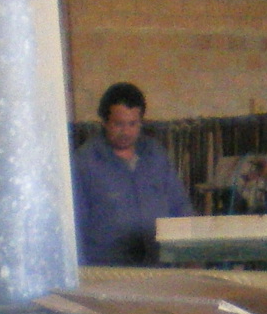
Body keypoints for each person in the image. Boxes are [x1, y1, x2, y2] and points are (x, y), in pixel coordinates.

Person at [72, 82, 194, 265]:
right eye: (118, 124)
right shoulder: (84, 163)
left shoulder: (155, 155)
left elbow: (180, 206)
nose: (126, 132)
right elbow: (76, 223)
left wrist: (192, 251)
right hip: (108, 270)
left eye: (132, 124)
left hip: (159, 265)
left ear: (141, 122)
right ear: (104, 122)